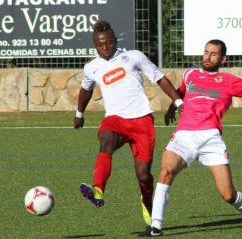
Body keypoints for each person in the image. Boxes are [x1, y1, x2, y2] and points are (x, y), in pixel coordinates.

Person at [140, 39, 242, 237]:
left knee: (227, 194)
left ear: (223, 59)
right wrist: (172, 108)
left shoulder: (228, 81)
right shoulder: (190, 74)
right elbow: (180, 93)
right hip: (184, 135)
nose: (208, 56)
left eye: (213, 54)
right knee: (166, 171)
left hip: (211, 138)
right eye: (206, 52)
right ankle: (156, 226)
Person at [73, 20, 183, 226]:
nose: (104, 47)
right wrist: (79, 113)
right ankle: (98, 190)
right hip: (116, 119)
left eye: (108, 43)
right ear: (95, 46)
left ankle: (146, 199)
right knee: (105, 140)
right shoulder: (92, 67)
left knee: (143, 175)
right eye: (99, 44)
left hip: (142, 120)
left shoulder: (133, 57)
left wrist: (178, 102)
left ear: (115, 40)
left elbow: (159, 78)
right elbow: (86, 89)